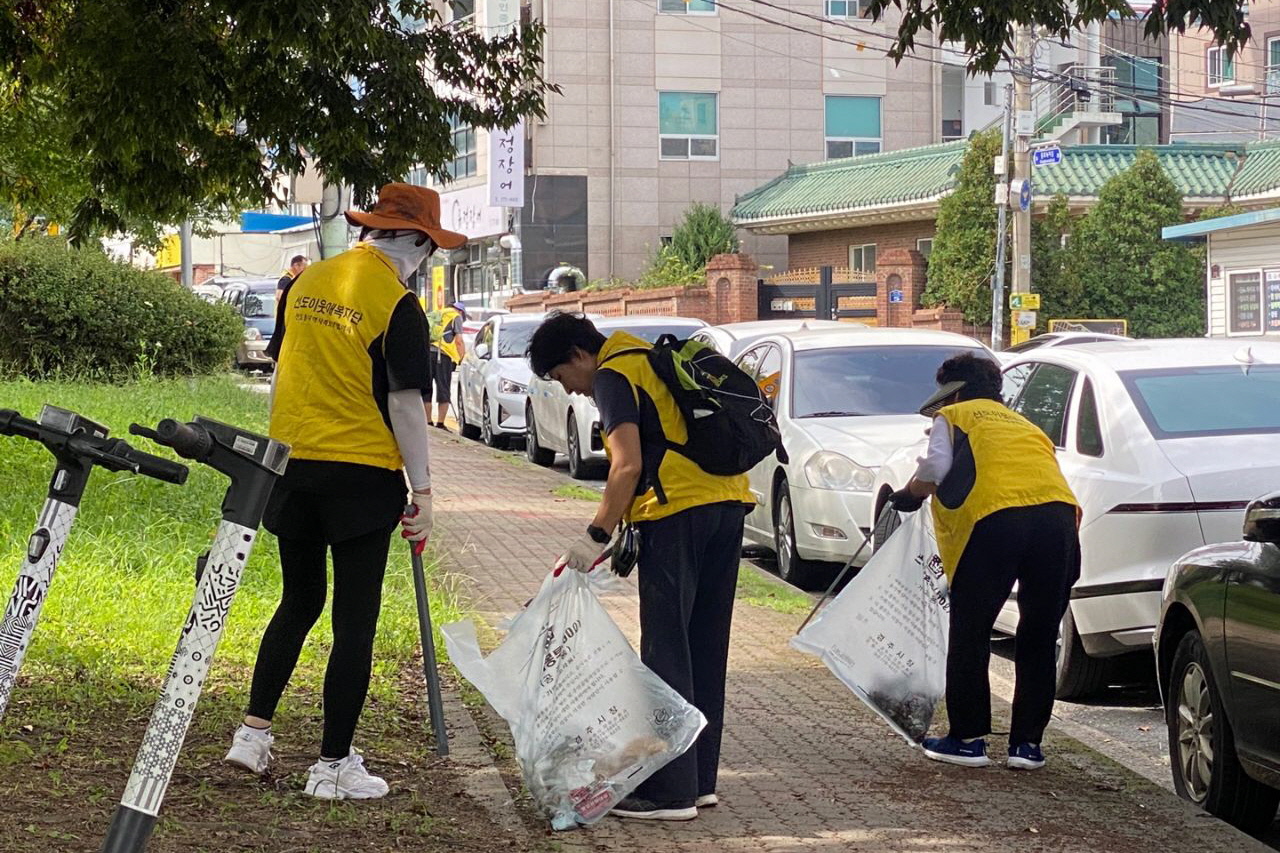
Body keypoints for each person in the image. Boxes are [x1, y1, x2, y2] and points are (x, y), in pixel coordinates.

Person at [223, 183, 466, 799]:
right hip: (361, 476)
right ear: (415, 241)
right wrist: (426, 491)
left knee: (298, 602)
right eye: (429, 248)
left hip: (293, 466)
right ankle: (332, 767)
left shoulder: (306, 285)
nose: (427, 258)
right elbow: (407, 404)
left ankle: (252, 735)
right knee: (354, 623)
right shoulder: (397, 303)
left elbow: (282, 374)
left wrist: (278, 453)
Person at [527, 312, 752, 822]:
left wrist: (594, 537)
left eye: (565, 379)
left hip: (676, 519)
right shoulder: (653, 358)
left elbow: (626, 464)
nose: (575, 392)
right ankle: (699, 781)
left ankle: (668, 794)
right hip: (728, 506)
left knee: (667, 651)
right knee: (705, 647)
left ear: (580, 355)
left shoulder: (613, 374)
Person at [887, 352, 1080, 772]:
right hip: (1058, 521)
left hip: (996, 522)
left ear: (952, 390)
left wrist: (909, 494)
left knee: (971, 631)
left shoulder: (955, 416)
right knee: (1038, 634)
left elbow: (936, 468)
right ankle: (1027, 746)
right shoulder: (1025, 424)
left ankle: (968, 739)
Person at [425, 300, 466, 429]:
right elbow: (458, 341)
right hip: (443, 355)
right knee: (443, 388)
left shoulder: (436, 313)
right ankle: (441, 424)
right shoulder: (455, 316)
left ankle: (428, 422)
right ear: (460, 311)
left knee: (427, 389)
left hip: (427, 354)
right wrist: (462, 358)